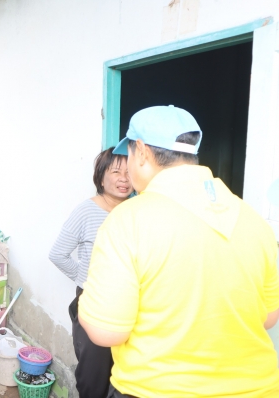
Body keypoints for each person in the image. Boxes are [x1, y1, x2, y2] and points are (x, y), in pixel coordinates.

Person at [79, 105, 279, 397]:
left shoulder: (128, 219)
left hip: (156, 390)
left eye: (128, 156)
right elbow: (269, 317)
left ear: (141, 151)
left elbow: (106, 331)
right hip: (259, 389)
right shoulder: (253, 220)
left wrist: (86, 303)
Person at [49, 148, 133, 398]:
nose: (124, 179)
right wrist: (88, 280)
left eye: (129, 172)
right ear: (101, 177)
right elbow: (58, 254)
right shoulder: (87, 211)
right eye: (116, 172)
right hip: (94, 303)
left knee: (124, 376)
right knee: (93, 377)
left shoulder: (136, 211)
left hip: (129, 304)